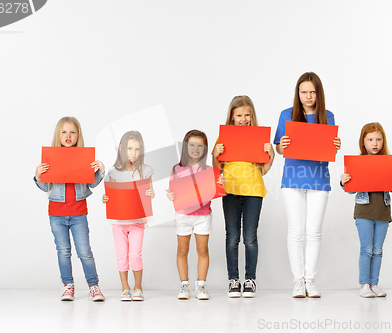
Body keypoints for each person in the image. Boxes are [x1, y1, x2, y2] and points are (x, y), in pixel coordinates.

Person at [274, 72, 341, 298]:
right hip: (293, 177)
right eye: (304, 92)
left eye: (312, 91)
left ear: (318, 93)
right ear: (298, 93)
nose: (308, 96)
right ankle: (298, 281)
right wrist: (282, 145)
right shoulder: (287, 115)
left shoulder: (327, 116)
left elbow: (328, 148)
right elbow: (279, 149)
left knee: (314, 231)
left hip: (319, 177)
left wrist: (335, 145)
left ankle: (310, 280)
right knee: (296, 232)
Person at [34, 116, 106, 301]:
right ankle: (68, 286)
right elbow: (45, 188)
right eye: (64, 132)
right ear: (58, 135)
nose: (68, 135)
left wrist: (100, 170)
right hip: (57, 215)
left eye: (72, 132)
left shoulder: (83, 158)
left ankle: (94, 286)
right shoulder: (51, 159)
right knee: (63, 251)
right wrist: (38, 176)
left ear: (78, 136)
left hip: (78, 213)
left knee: (84, 251)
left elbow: (92, 184)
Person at [213, 95, 275, 298]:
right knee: (232, 237)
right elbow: (216, 169)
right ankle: (233, 280)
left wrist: (271, 155)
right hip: (230, 190)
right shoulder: (224, 137)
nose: (243, 118)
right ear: (231, 117)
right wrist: (215, 154)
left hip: (253, 192)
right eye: (239, 115)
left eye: (247, 115)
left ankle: (250, 280)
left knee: (250, 238)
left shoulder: (258, 137)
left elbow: (263, 170)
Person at [340, 122, 392, 298]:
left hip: (382, 212)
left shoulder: (388, 162)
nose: (374, 143)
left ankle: (374, 284)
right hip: (364, 212)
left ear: (383, 141)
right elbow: (351, 189)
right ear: (364, 142)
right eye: (370, 139)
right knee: (366, 249)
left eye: (378, 139)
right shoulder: (357, 163)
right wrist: (343, 181)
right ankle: (364, 285)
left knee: (378, 250)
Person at [166, 130, 223, 300]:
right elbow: (173, 192)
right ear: (185, 147)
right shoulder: (177, 168)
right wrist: (170, 195)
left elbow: (215, 190)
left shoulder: (208, 170)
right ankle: (184, 285)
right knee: (182, 249)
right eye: (192, 145)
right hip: (183, 215)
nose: (196, 148)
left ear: (205, 149)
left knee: (202, 250)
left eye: (200, 145)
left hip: (203, 216)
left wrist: (220, 183)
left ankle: (201, 285)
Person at [102, 131, 155, 301]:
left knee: (135, 255)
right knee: (122, 255)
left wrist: (150, 192)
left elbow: (150, 193)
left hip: (137, 221)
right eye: (129, 148)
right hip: (118, 222)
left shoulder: (145, 170)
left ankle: (138, 287)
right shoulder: (113, 172)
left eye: (137, 149)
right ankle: (125, 288)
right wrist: (105, 198)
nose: (133, 152)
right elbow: (110, 195)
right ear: (121, 149)